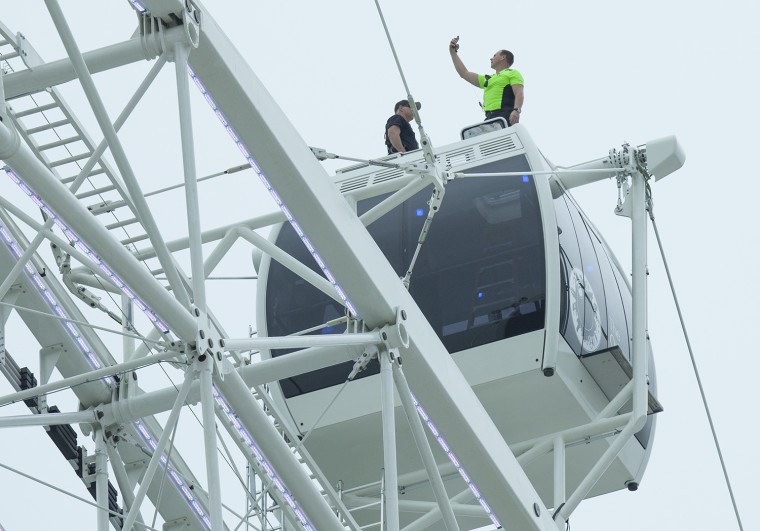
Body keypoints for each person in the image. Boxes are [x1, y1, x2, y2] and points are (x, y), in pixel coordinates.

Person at [449, 36, 524, 125]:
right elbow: (464, 73)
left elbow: (519, 92)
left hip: (504, 115)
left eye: (494, 55)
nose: (491, 58)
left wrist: (516, 110)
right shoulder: (488, 79)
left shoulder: (513, 73)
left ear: (503, 57)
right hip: (489, 118)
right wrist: (453, 53)